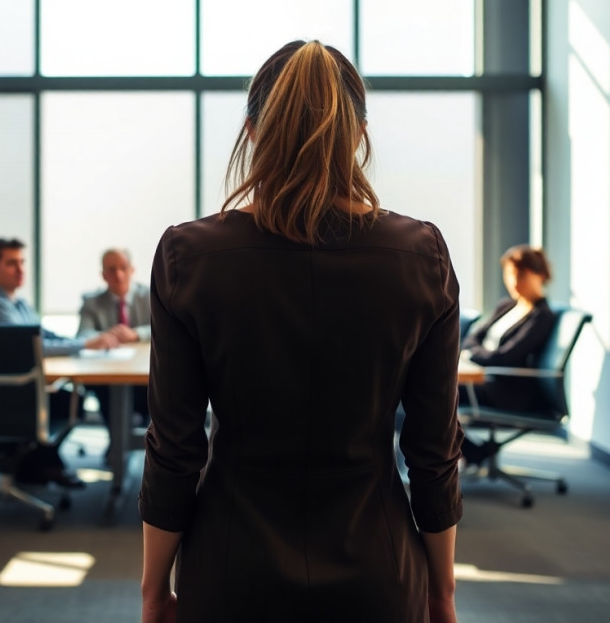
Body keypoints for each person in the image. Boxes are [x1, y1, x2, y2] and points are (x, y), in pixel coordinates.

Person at [139, 40, 462, 623]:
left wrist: (153, 588)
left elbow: (175, 448)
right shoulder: (421, 255)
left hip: (231, 567)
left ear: (253, 132)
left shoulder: (189, 255)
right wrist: (442, 590)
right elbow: (434, 451)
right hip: (380, 571)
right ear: (359, 134)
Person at [0, 237, 121, 489]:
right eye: (11, 264)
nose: (21, 270)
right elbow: (35, 347)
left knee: (69, 399)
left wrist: (79, 340)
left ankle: (38, 466)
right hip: (3, 400)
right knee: (65, 401)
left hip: (17, 392)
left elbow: (42, 334)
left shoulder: (16, 302)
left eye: (22, 262)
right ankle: (41, 465)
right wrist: (84, 345)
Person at [458, 245, 557, 466]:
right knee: (433, 391)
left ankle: (470, 452)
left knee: (436, 392)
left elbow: (506, 357)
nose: (514, 281)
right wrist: (480, 353)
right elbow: (472, 338)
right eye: (509, 274)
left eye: (520, 275)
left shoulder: (542, 316)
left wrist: (475, 354)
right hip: (488, 378)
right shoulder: (506, 305)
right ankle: (472, 452)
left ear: (540, 275)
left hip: (510, 389)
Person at [77, 247, 150, 428]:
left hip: (144, 372)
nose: (118, 274)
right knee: (106, 391)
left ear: (132, 270)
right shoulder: (91, 301)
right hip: (105, 375)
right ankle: (118, 440)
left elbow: (164, 328)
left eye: (123, 267)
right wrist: (104, 337)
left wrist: (136, 334)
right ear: (103, 275)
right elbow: (83, 334)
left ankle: (137, 436)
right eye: (111, 269)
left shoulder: (150, 296)